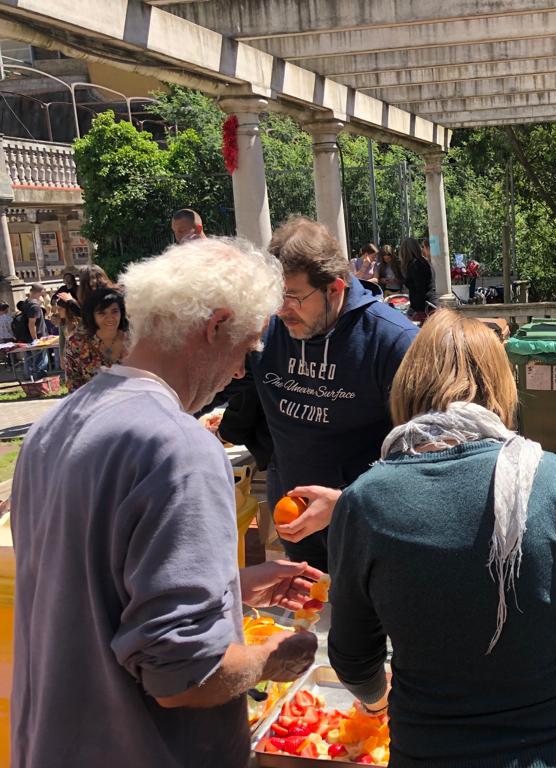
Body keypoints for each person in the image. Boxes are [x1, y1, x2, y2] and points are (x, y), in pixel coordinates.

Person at [11, 237, 319, 768]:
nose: (242, 371)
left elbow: (87, 593)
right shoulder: (180, 444)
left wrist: (228, 589)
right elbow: (184, 675)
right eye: (246, 348)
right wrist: (274, 657)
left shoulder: (55, 424)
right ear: (215, 325)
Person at [328, 309, 556, 767]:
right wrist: (548, 635)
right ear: (502, 388)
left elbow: (354, 658)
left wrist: (376, 702)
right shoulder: (554, 481)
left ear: (407, 388)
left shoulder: (364, 503)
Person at [226, 216, 418, 572]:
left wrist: (349, 500)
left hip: (370, 527)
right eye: (274, 297)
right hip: (295, 522)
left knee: (366, 625)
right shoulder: (269, 329)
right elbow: (213, 383)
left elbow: (425, 452)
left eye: (293, 297)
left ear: (335, 288)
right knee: (310, 618)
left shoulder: (393, 341)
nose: (282, 310)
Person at [63, 289, 129, 391]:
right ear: (92, 315)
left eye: (114, 311)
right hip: (92, 404)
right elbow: (73, 381)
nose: (110, 318)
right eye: (102, 313)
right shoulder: (77, 342)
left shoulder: (134, 339)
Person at [399, 236, 435, 323]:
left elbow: (420, 290)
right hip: (428, 304)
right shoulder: (422, 262)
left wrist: (415, 310)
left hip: (423, 308)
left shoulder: (415, 265)